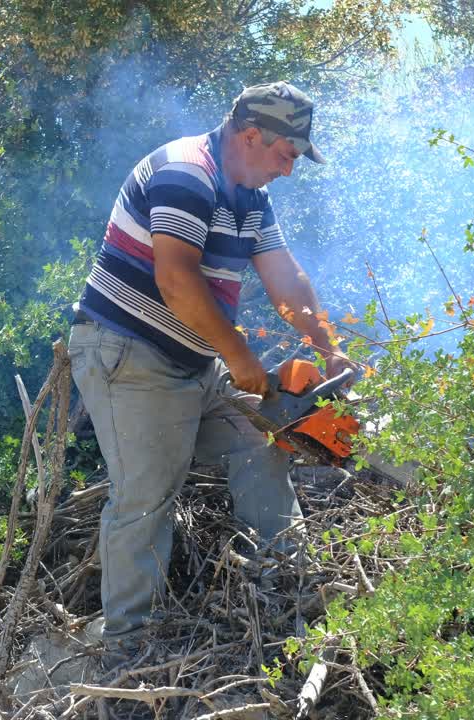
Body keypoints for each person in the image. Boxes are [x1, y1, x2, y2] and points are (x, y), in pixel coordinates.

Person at [68, 81, 350, 651]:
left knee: (261, 445)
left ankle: (289, 584)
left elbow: (286, 279)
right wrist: (240, 355)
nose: (290, 171)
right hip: (129, 355)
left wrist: (329, 347)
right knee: (146, 494)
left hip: (192, 364)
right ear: (251, 136)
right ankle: (125, 646)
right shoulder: (185, 173)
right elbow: (177, 279)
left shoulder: (252, 197)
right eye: (287, 155)